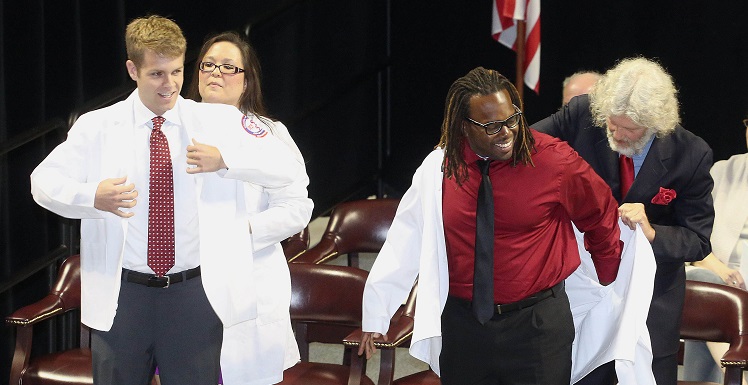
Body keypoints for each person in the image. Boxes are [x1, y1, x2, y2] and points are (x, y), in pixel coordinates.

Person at [30, 15, 305, 385]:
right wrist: (91, 196)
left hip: (194, 294)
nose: (170, 84)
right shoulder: (98, 126)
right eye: (157, 74)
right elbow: (42, 182)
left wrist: (228, 161)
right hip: (123, 296)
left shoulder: (215, 120)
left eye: (177, 72)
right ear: (133, 69)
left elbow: (289, 171)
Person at [358, 67, 623, 385]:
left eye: (512, 119)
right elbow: (406, 240)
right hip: (462, 325)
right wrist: (377, 312)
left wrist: (608, 283)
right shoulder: (440, 167)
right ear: (463, 126)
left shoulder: (555, 162)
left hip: (538, 325)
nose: (508, 132)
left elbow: (600, 217)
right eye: (492, 126)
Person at [533, 57, 715, 385]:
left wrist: (652, 232)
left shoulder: (692, 154)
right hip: (583, 289)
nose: (616, 134)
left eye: (628, 129)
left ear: (656, 123)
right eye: (611, 124)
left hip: (651, 304)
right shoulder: (582, 114)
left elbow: (698, 240)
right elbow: (526, 145)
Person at [185, 31, 312, 385]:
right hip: (186, 284)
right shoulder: (172, 129)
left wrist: (244, 233)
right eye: (208, 65)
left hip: (250, 277)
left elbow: (297, 207)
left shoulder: (269, 134)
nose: (215, 73)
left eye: (228, 67)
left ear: (246, 81)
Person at [682, 117, 748, 383]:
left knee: (711, 308)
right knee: (703, 284)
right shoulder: (723, 171)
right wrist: (718, 269)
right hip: (718, 279)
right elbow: (694, 239)